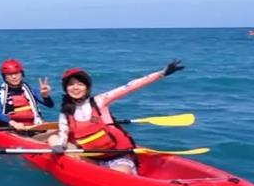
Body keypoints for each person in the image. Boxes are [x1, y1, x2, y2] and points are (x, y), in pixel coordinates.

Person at [48, 60, 185, 174]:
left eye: (80, 84)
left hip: (118, 159)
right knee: (53, 138)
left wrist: (161, 74)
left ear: (87, 87)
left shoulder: (100, 101)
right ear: (66, 89)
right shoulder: (65, 113)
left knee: (120, 172)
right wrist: (59, 146)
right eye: (71, 84)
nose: (75, 88)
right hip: (91, 160)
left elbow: (129, 87)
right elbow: (63, 134)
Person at [0, 58, 54, 131]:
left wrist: (46, 96)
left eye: (17, 73)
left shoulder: (31, 91)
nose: (14, 77)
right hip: (11, 127)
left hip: (33, 126)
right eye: (10, 74)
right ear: (4, 77)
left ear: (22, 74)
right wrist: (13, 123)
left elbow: (50, 105)